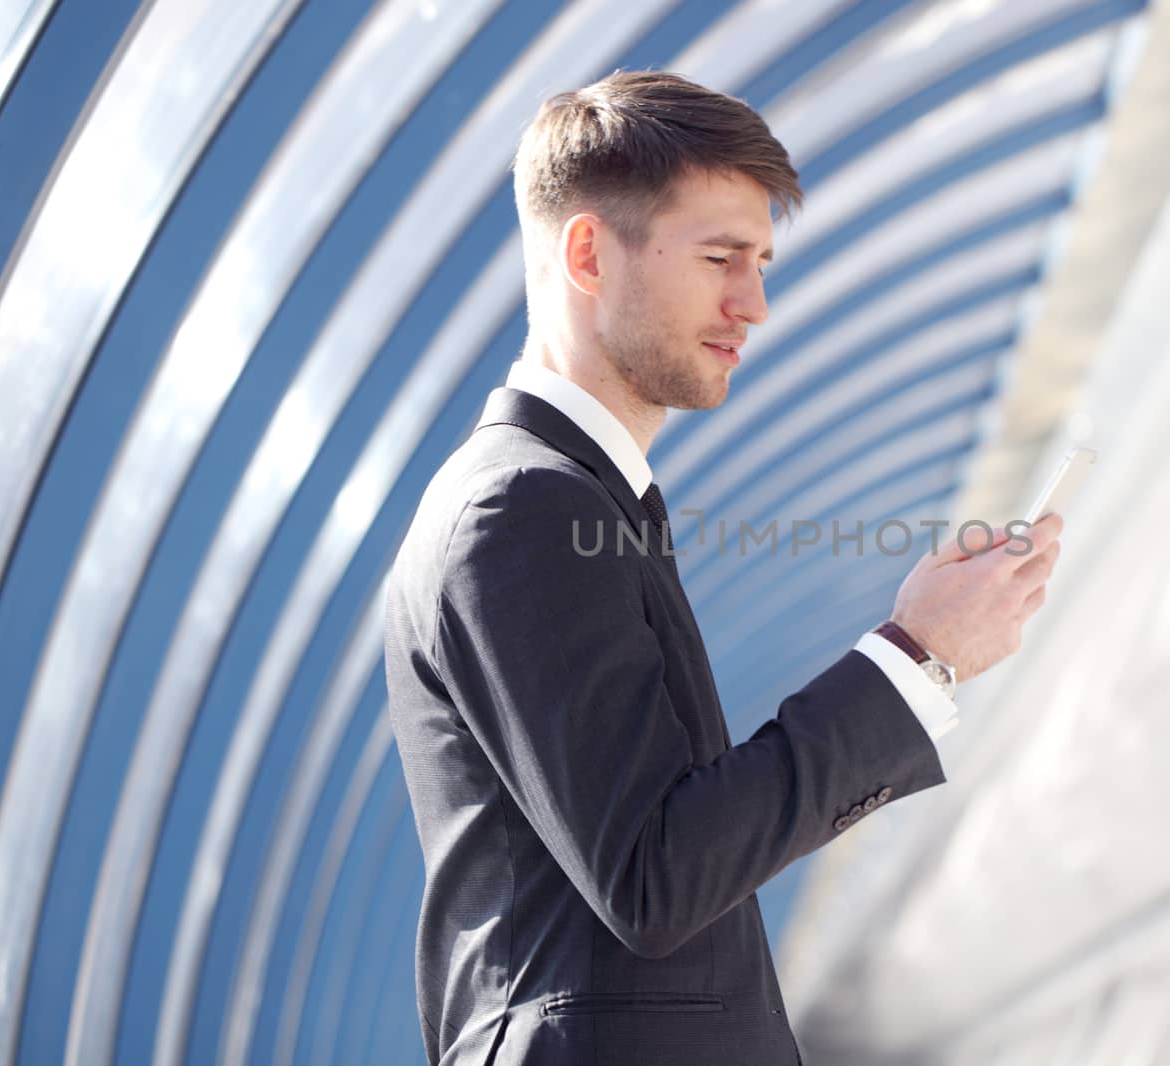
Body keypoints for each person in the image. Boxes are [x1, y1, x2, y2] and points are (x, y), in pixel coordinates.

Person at [384, 69, 1062, 1066]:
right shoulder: (522, 510)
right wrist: (919, 656)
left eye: (762, 263)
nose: (753, 304)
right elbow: (655, 876)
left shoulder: (574, 501)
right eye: (719, 258)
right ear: (587, 253)